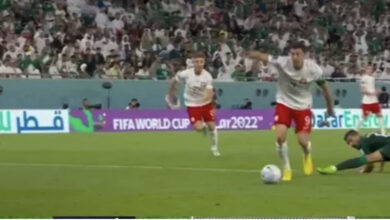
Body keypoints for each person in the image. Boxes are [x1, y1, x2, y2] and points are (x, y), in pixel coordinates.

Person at [249, 42, 334, 181]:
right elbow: (264, 57)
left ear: (304, 55)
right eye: (292, 54)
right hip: (284, 103)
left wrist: (330, 108)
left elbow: (325, 89)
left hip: (303, 106)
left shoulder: (314, 70)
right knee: (280, 137)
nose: (294, 57)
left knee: (302, 141)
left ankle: (307, 155)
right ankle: (286, 168)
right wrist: (253, 54)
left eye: (298, 54)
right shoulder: (282, 62)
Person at [168, 52, 220, 157]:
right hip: (192, 104)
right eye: (196, 61)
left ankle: (214, 148)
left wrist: (206, 101)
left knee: (212, 126)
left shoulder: (208, 76)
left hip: (205, 104)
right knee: (198, 128)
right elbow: (175, 80)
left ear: (204, 63)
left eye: (201, 61)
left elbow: (209, 94)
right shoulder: (186, 73)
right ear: (193, 63)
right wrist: (172, 91)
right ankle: (203, 127)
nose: (199, 64)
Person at [318, 130, 386, 174]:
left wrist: (362, 171)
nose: (351, 144)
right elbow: (381, 154)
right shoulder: (368, 139)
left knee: (364, 159)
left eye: (351, 140)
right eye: (348, 143)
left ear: (357, 135)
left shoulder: (364, 144)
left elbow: (370, 165)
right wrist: (381, 170)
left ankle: (333, 168)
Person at [356, 65, 385, 135]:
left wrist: (376, 92)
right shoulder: (364, 78)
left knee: (379, 115)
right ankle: (355, 130)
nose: (370, 70)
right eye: (368, 69)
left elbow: (372, 88)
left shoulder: (372, 78)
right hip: (367, 101)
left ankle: (383, 132)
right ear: (366, 70)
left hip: (374, 100)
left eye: (371, 69)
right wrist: (372, 93)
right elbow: (362, 91)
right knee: (364, 117)